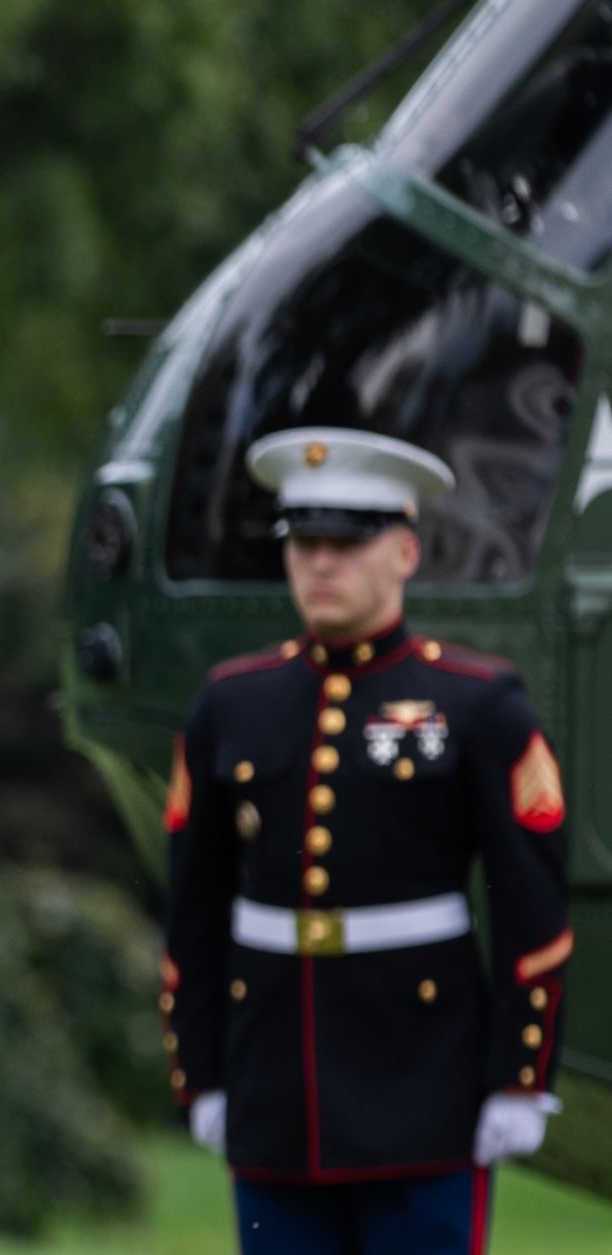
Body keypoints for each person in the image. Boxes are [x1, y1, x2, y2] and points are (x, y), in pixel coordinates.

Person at [161, 427, 569, 1254]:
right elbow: (194, 907)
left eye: (347, 542)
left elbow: (531, 903)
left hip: (427, 1093)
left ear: (407, 552)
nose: (321, 563)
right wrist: (198, 1071)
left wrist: (519, 1081)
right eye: (305, 542)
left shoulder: (475, 704)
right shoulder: (233, 704)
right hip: (277, 1094)